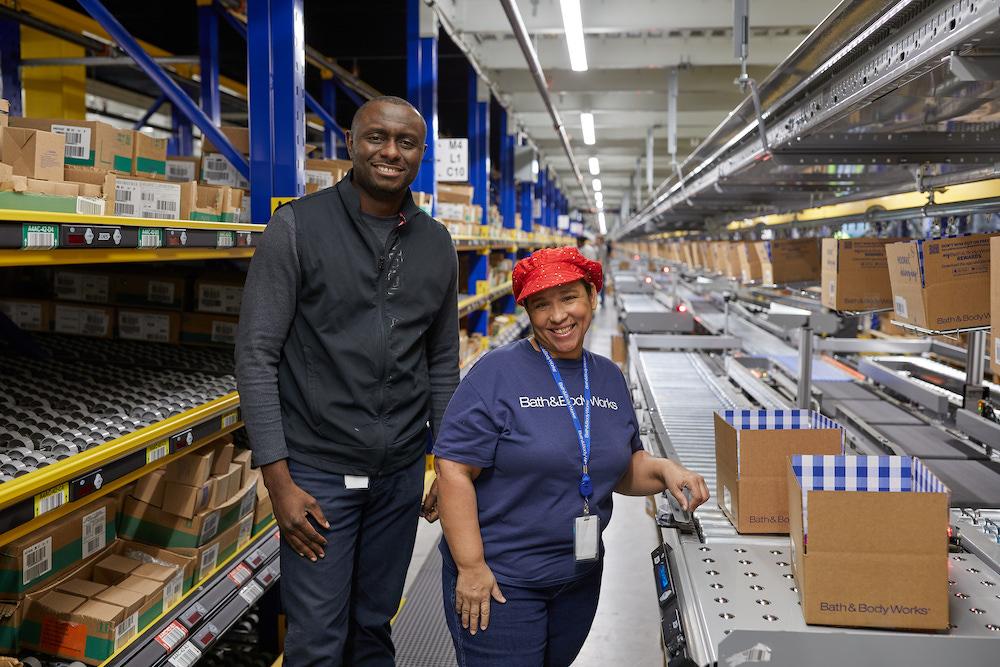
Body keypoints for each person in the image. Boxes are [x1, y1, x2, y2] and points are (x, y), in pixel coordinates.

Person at [235, 96, 459, 666]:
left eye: (406, 143)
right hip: (318, 473)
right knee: (316, 638)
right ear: (350, 146)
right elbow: (257, 355)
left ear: (420, 154)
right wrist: (278, 480)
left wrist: (451, 466)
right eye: (376, 138)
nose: (390, 152)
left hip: (401, 472)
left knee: (374, 623)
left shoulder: (436, 244)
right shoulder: (296, 227)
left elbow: (441, 363)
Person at [433, 247, 709, 666]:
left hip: (578, 579)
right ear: (527, 311)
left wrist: (666, 470)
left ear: (592, 297)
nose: (558, 316)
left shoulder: (608, 377)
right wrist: (470, 567)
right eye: (541, 305)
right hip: (503, 582)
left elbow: (620, 467)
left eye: (569, 298)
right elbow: (453, 469)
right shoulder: (496, 374)